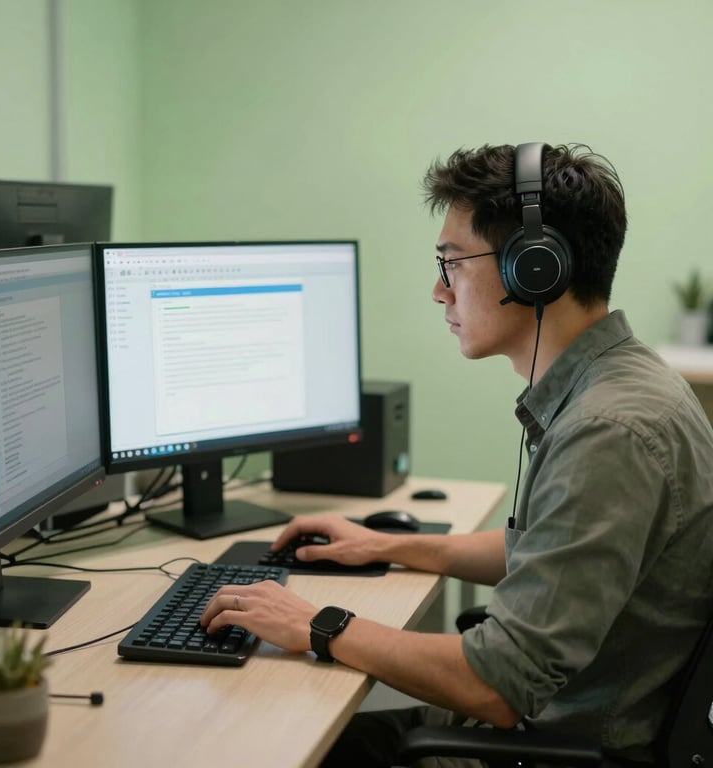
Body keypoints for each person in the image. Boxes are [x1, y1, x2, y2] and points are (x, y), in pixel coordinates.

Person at [200, 143, 713, 767]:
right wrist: (386, 545)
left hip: (547, 747)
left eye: (452, 263)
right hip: (548, 729)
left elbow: (496, 684)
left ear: (535, 268)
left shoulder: (610, 431)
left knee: (256, 745)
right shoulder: (622, 386)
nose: (439, 291)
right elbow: (550, 552)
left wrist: (316, 624)